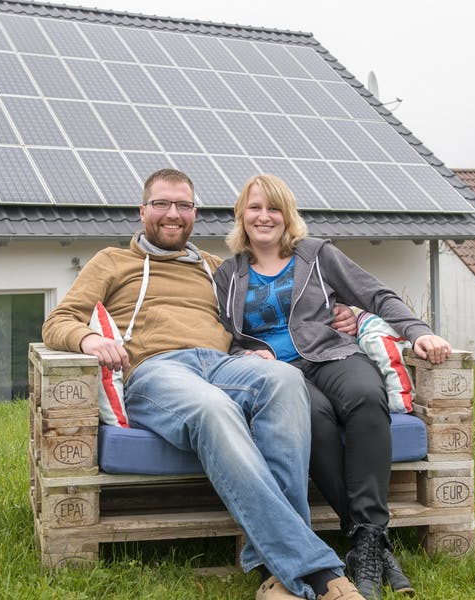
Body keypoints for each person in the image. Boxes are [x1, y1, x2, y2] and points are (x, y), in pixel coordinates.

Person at [43, 169, 366, 600]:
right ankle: (318, 570)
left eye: (183, 205)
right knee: (214, 408)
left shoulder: (217, 268)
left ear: (195, 214)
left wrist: (339, 315)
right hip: (157, 371)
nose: (172, 214)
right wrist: (90, 338)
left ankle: (276, 572)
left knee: (286, 380)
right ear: (143, 211)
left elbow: (274, 308)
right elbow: (57, 321)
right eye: (161, 204)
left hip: (221, 363)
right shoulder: (111, 261)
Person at [214, 174, 453, 600]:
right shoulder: (227, 273)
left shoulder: (316, 254)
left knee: (365, 395)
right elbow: (219, 333)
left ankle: (365, 540)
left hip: (332, 354)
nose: (264, 217)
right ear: (241, 215)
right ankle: (370, 543)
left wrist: (417, 332)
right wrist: (242, 355)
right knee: (315, 420)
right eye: (254, 208)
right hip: (280, 376)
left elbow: (375, 294)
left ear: (287, 215)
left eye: (273, 208)